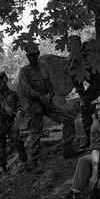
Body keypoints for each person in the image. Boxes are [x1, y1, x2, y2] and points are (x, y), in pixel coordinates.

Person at [18, 42, 79, 170]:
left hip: (47, 104)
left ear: (38, 54)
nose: (33, 57)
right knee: (35, 134)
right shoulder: (24, 72)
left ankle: (68, 149)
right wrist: (40, 97)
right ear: (27, 56)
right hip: (34, 108)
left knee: (68, 120)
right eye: (30, 55)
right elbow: (26, 90)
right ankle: (33, 163)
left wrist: (49, 96)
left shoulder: (43, 70)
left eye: (34, 54)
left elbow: (51, 87)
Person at [0, 71, 28, 172]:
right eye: (0, 83)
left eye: (3, 82)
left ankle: (25, 164)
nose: (2, 84)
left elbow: (20, 109)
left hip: (11, 123)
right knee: (1, 148)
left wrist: (17, 122)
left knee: (18, 141)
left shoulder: (13, 94)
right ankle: (4, 169)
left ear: (7, 79)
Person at [67, 35, 100, 150]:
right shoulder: (72, 62)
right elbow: (78, 83)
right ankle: (90, 138)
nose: (74, 48)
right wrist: (83, 99)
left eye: (76, 45)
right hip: (93, 85)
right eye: (71, 46)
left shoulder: (89, 49)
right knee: (85, 108)